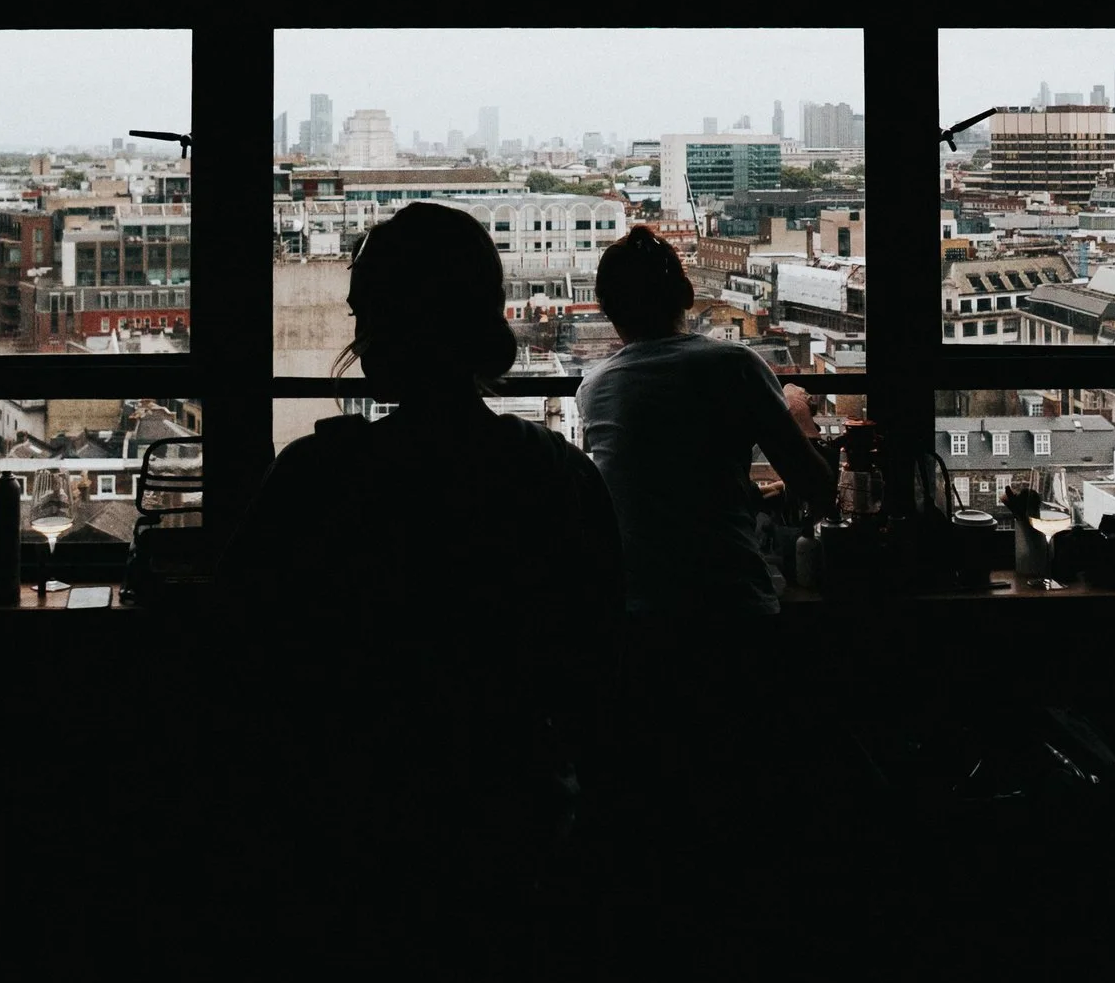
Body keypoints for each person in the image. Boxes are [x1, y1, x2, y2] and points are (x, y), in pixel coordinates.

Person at [215, 201, 623, 966]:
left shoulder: (318, 475)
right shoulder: (556, 476)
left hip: (346, 826)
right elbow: (595, 668)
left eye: (363, 312)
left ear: (383, 330)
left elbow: (239, 648)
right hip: (514, 822)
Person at [571, 224, 841, 956]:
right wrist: (800, 417)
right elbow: (819, 492)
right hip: (729, 611)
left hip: (635, 624)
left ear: (606, 310)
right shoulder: (732, 365)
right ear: (687, 297)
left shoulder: (596, 383)